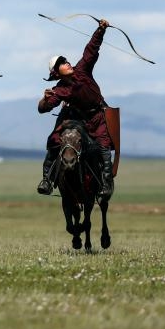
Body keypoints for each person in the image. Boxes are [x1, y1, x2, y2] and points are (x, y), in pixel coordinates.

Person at [37, 19, 114, 197]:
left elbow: (91, 49)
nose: (67, 63)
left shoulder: (82, 69)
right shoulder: (60, 89)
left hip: (100, 116)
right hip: (82, 120)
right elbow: (43, 108)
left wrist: (101, 29)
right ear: (56, 73)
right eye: (61, 63)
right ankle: (47, 180)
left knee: (103, 146)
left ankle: (106, 184)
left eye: (65, 60)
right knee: (55, 140)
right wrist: (44, 100)